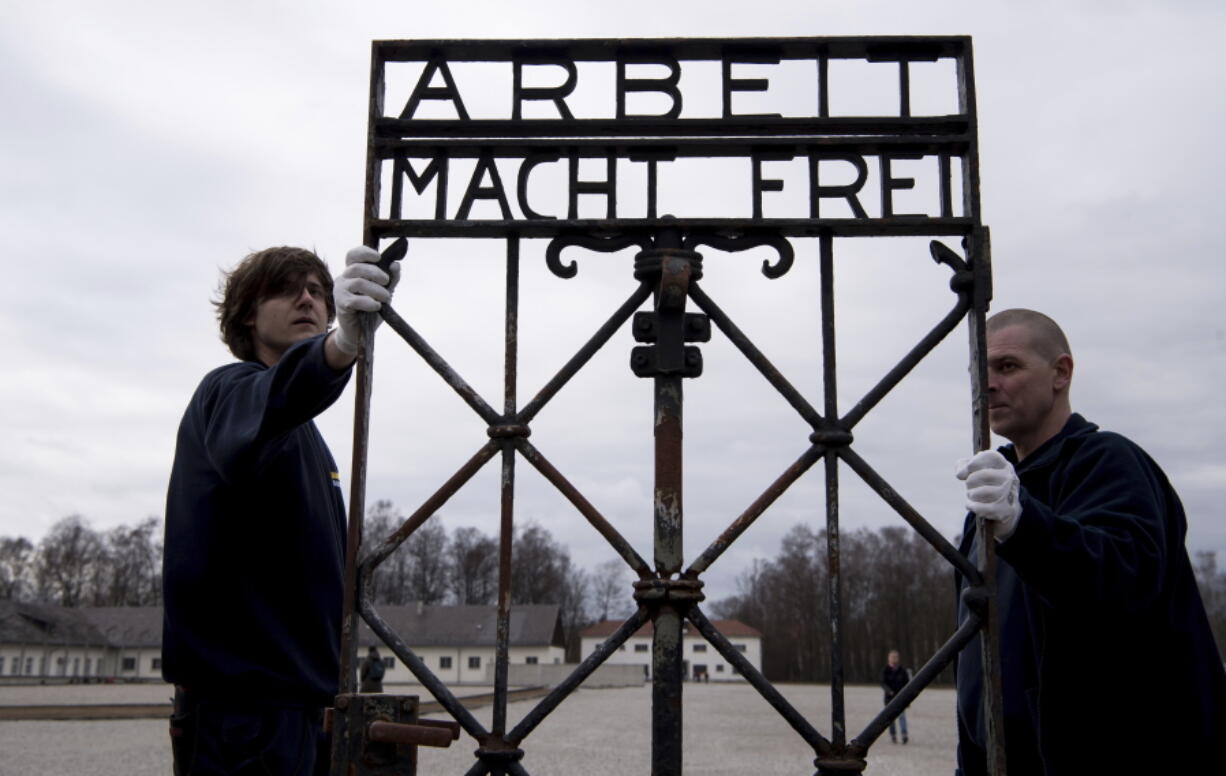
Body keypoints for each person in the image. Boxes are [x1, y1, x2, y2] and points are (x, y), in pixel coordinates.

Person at [953, 308, 1226, 775]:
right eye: (980, 371)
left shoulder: (1110, 462)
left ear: (1061, 372)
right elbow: (974, 658)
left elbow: (1125, 580)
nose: (989, 384)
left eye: (1007, 366)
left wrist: (1025, 525)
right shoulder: (990, 503)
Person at [162, 244, 401, 776]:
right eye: (287, 288)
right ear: (248, 312)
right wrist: (341, 346)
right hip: (247, 719)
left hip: (308, 713)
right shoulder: (227, 392)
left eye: (319, 290)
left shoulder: (306, 433)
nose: (309, 298)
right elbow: (277, 396)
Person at [880, 649, 910, 744]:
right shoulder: (885, 670)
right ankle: (893, 735)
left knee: (902, 717)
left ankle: (904, 735)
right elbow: (882, 683)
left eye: (896, 657)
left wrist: (907, 699)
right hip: (889, 699)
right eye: (892, 657)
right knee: (891, 719)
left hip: (900, 698)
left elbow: (907, 684)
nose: (894, 659)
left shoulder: (902, 670)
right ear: (889, 658)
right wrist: (889, 691)